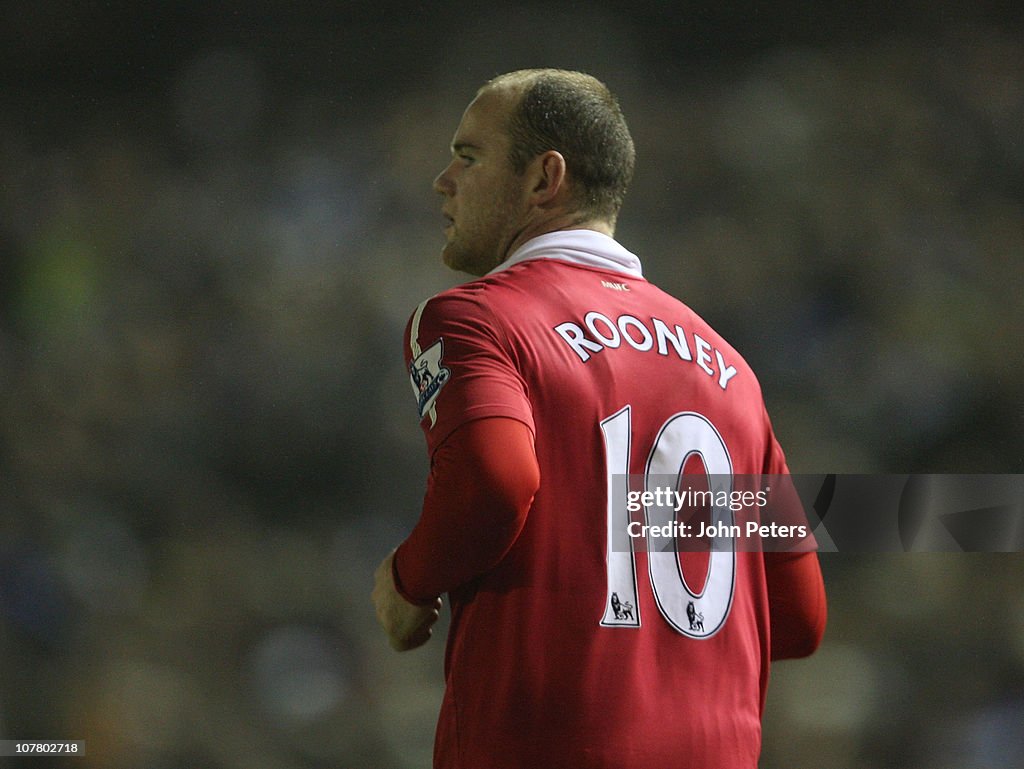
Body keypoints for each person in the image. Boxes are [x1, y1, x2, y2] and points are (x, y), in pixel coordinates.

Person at [372, 68, 826, 769]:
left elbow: (493, 480)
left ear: (543, 179)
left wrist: (409, 580)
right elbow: (798, 616)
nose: (442, 179)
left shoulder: (476, 319)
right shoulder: (732, 370)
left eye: (468, 156)